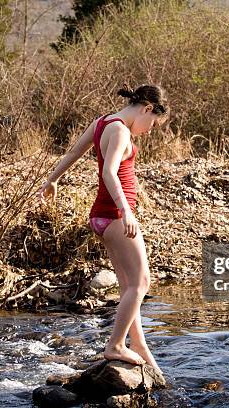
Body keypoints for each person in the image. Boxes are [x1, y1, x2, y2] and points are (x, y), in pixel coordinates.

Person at [37, 84, 169, 374]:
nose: (150, 129)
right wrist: (126, 212)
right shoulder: (121, 130)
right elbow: (109, 172)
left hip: (100, 217)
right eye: (153, 123)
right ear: (147, 108)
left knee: (128, 288)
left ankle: (139, 345)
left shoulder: (102, 122)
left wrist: (52, 180)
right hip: (114, 216)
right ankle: (115, 345)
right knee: (141, 282)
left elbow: (74, 151)